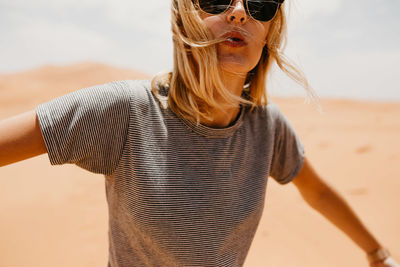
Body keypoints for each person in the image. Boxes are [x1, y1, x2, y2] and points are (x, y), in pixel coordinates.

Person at [0, 0, 398, 266]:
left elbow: (317, 190)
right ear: (183, 16)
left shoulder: (266, 126)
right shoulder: (126, 111)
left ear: (269, 32)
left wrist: (377, 255)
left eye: (259, 2)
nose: (239, 12)